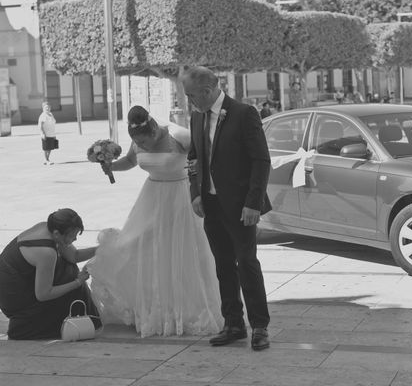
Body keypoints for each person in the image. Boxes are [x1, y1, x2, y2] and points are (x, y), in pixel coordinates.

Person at [87, 106, 222, 337]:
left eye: (145, 142)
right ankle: (154, 307)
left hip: (180, 197)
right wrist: (110, 166)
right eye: (139, 143)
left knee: (183, 254)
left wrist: (202, 190)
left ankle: (187, 311)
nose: (144, 146)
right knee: (136, 248)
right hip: (151, 198)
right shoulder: (137, 140)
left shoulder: (178, 135)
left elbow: (204, 157)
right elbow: (130, 161)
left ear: (153, 130)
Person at [180, 66, 272, 351]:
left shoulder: (244, 114)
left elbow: (261, 160)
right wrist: (196, 192)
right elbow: (193, 158)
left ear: (207, 91)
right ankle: (233, 323)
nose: (189, 101)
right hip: (211, 205)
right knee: (223, 266)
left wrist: (253, 203)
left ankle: (259, 326)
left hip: (241, 206)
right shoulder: (196, 117)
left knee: (246, 263)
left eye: (191, 95)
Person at [0, 208, 101, 340]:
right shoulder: (46, 253)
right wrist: (77, 282)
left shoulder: (50, 229)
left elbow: (74, 256)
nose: (75, 239)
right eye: (72, 235)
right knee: (71, 278)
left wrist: (100, 249)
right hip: (13, 296)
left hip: (19, 281)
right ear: (57, 234)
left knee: (69, 268)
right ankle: (31, 324)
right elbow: (43, 294)